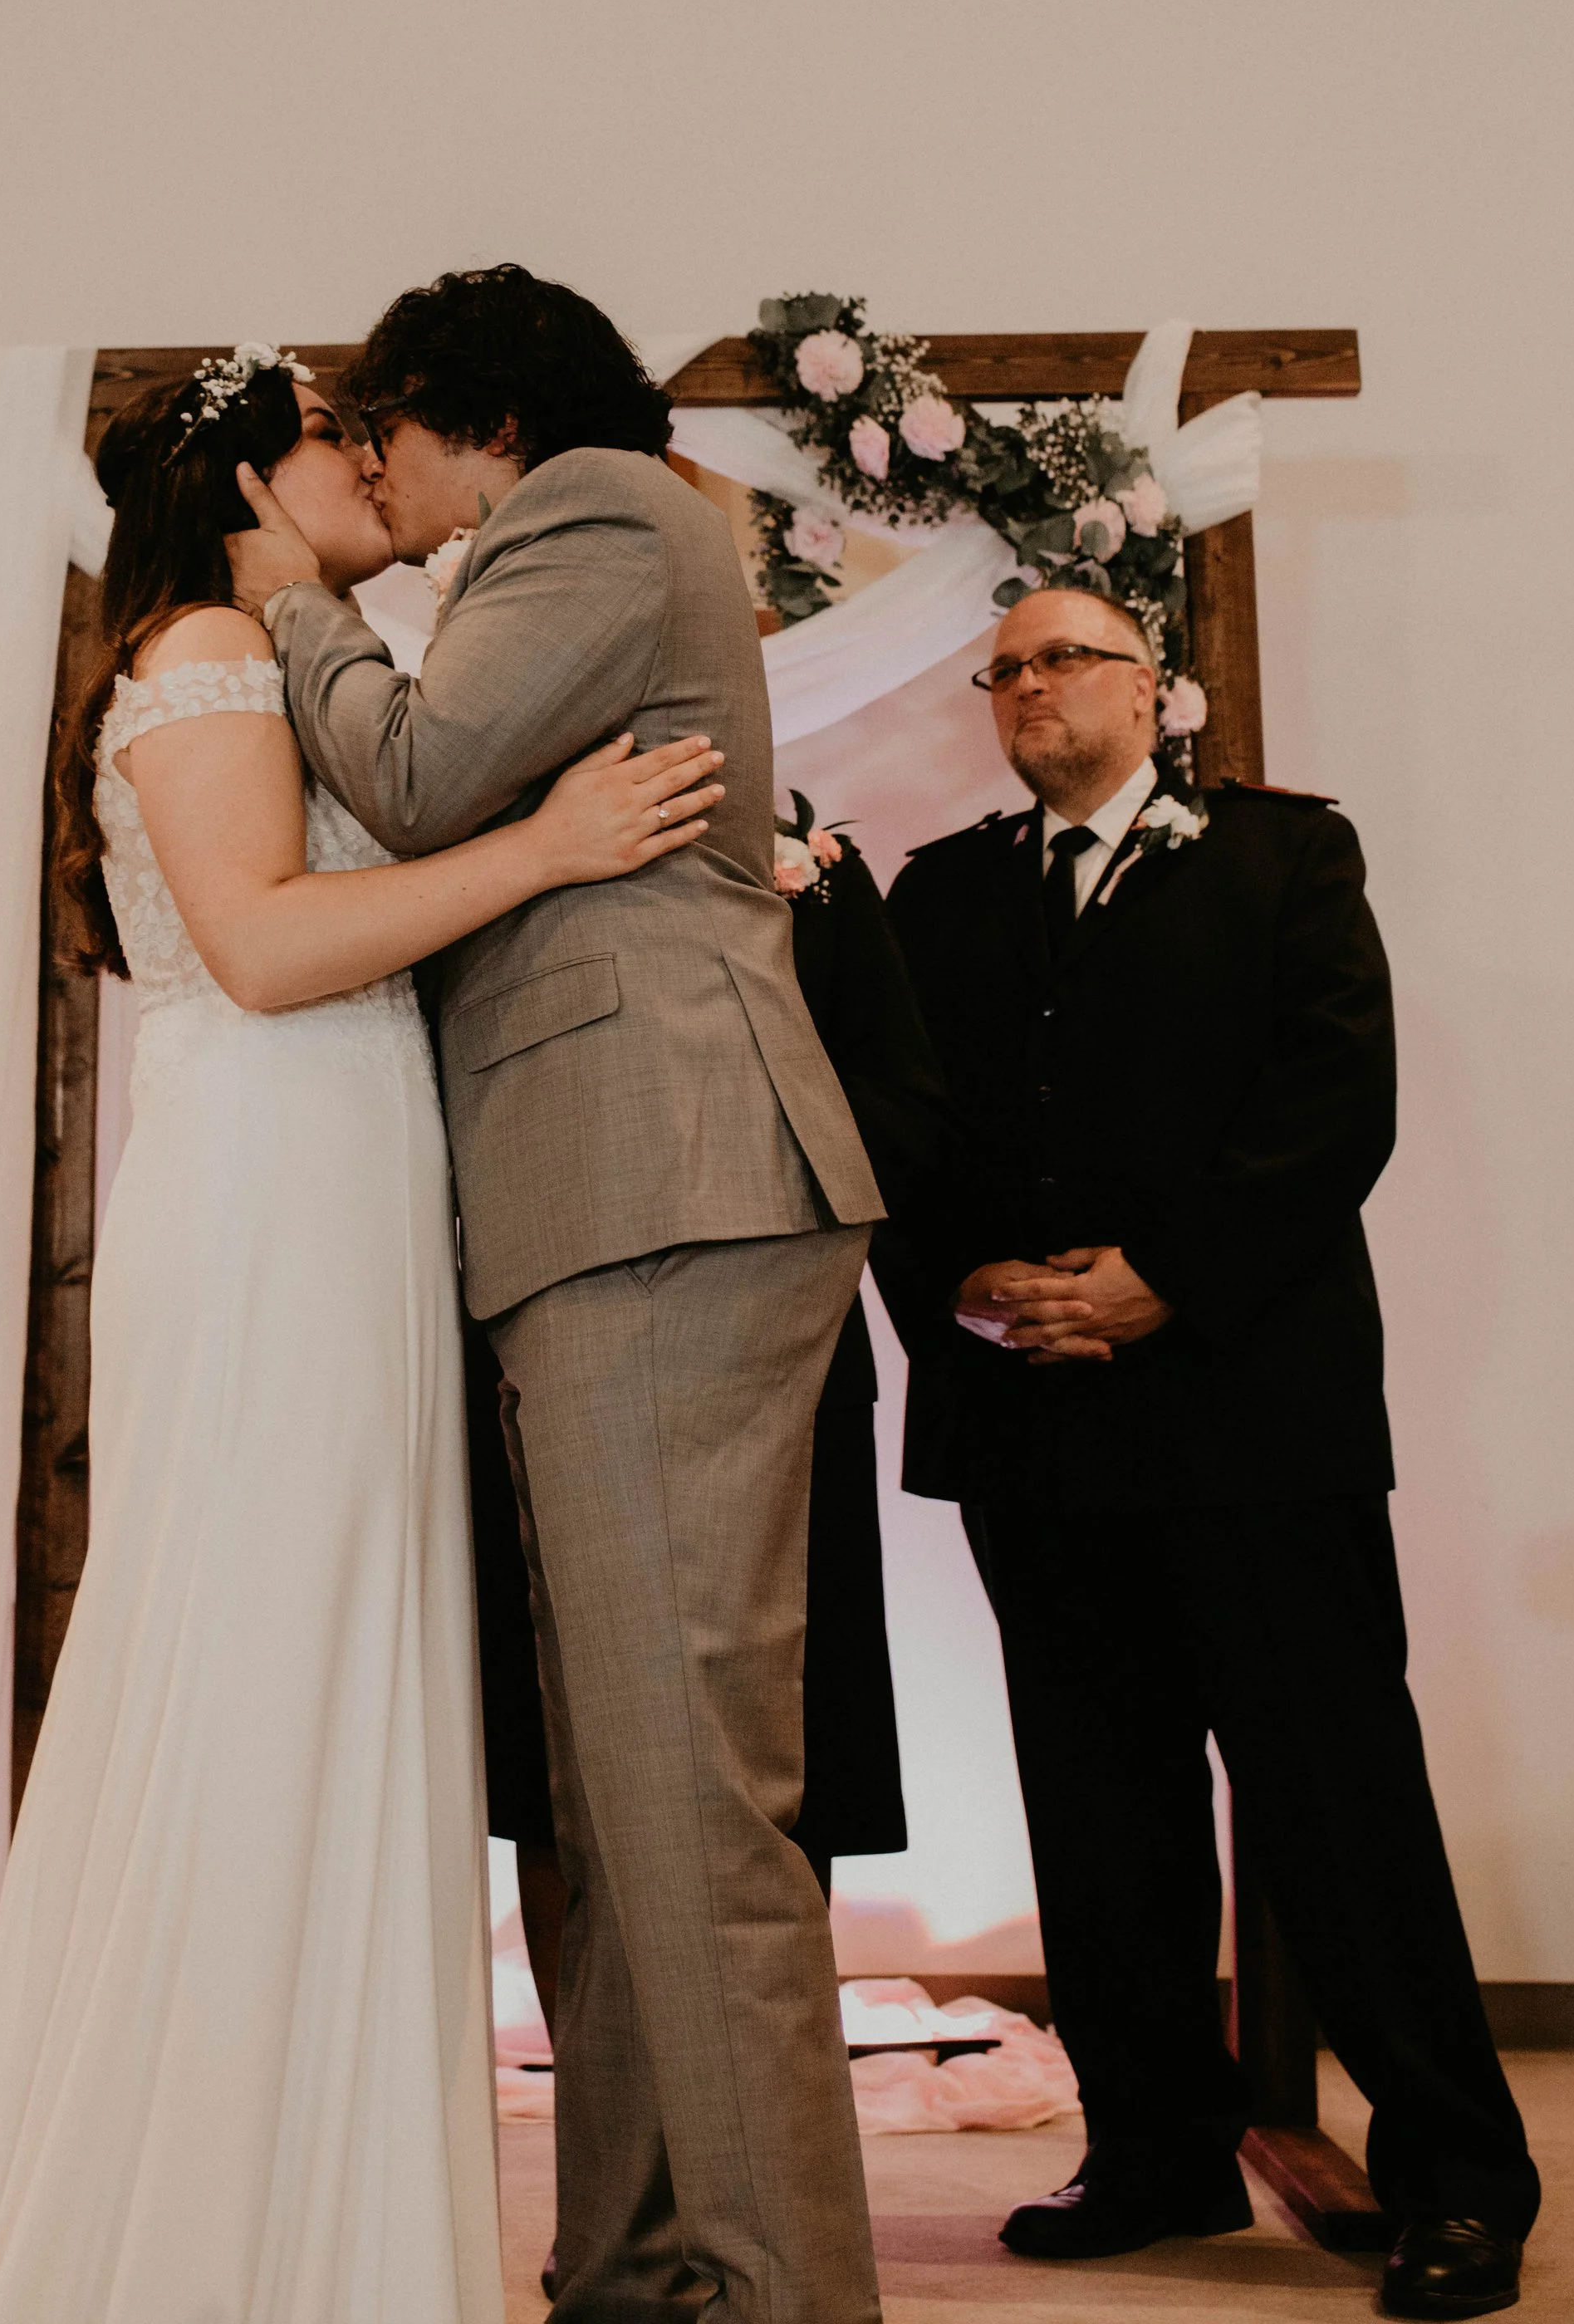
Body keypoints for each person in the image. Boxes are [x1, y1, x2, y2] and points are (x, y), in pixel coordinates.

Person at [0, 348, 728, 2324]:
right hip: (270, 1183)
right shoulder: (200, 659)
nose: (376, 467)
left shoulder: (272, 650)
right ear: (254, 472)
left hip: (335, 1177)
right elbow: (255, 948)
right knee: (264, 1651)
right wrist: (545, 847)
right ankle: (222, 2228)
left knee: (341, 1647)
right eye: (344, 439)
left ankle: (322, 2208)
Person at [232, 267, 889, 2324]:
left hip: (661, 1179)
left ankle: (779, 2296)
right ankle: (638, 2272)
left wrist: (291, 599)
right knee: (611, 1802)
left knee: (686, 1802)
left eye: (387, 439)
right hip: (599, 1195)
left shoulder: (597, 508)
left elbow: (418, 778)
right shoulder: (583, 523)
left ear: (479, 421)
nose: (376, 480)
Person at [875, 584, 1539, 2319]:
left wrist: (1162, 1280)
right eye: (1000, 668)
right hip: (1033, 1421)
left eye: (1061, 657)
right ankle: (1155, 2151)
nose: (1025, 686)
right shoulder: (940, 892)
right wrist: (956, 1272)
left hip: (1252, 1417)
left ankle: (1456, 2180)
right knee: (1101, 1815)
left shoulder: (1283, 861)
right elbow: (894, 1119)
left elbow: (1333, 1101)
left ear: (1150, 690)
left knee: (1334, 1801)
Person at [470, 808, 949, 2302]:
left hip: (771, 1366)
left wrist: (734, 1166)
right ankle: (616, 2228)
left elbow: (908, 1109)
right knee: (567, 1805)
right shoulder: (498, 849)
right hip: (539, 1352)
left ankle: (758, 2219)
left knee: (754, 1795)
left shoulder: (805, 856)